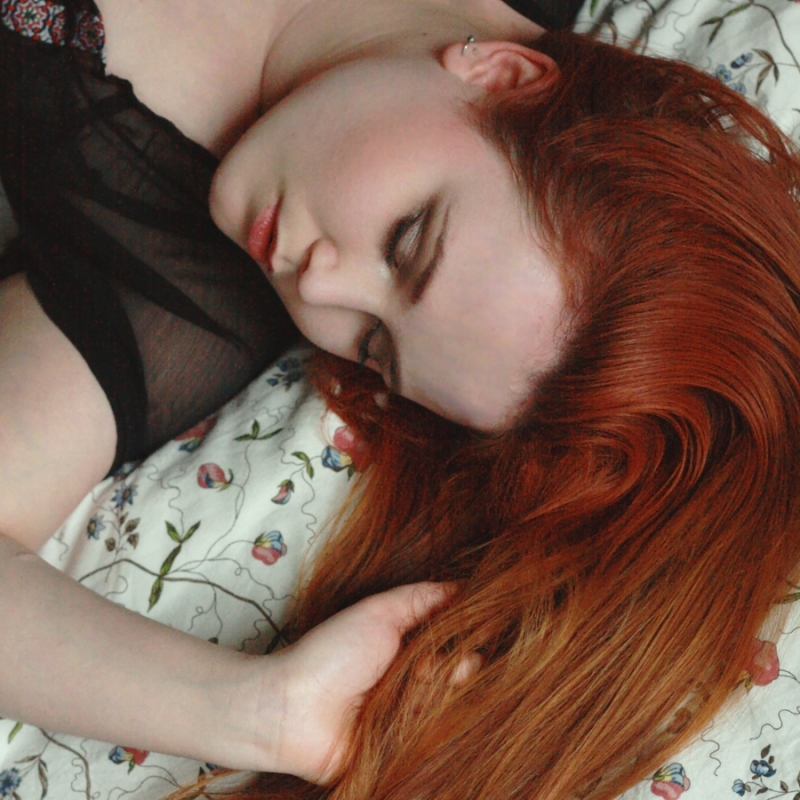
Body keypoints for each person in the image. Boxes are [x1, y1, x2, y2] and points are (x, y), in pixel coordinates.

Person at [2, 3, 800, 800]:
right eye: (406, 240)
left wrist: (267, 713)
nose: (319, 286)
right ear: (505, 75)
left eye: (373, 345)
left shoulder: (172, 293)